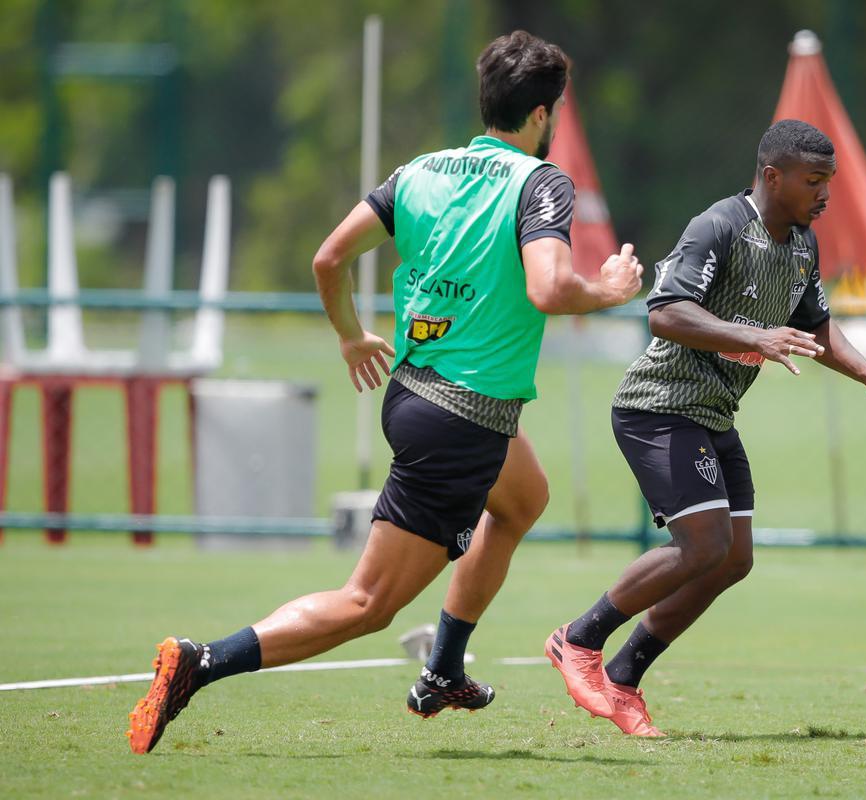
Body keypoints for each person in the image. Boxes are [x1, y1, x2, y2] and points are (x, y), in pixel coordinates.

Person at [126, 30, 643, 755]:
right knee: (366, 604)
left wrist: (350, 336)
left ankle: (443, 669)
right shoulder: (541, 182)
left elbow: (328, 258)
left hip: (414, 395)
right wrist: (610, 289)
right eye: (554, 110)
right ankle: (201, 661)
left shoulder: (420, 171)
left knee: (523, 499)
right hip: (461, 421)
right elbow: (550, 288)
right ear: (540, 114)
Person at [545, 119, 866, 737]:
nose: (825, 194)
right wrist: (755, 337)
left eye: (829, 181)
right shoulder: (718, 226)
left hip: (712, 413)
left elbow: (816, 325)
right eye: (814, 181)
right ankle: (578, 640)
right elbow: (665, 312)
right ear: (773, 176)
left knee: (733, 559)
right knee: (703, 545)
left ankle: (624, 677)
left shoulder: (802, 245)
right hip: (658, 405)